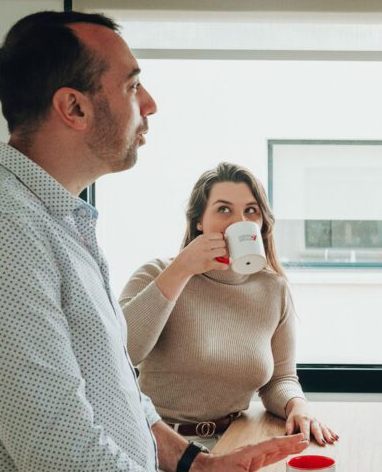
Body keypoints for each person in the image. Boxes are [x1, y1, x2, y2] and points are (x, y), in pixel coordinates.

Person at [0, 11, 364, 472]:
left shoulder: (62, 224)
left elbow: (117, 394)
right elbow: (73, 468)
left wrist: (200, 464)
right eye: (131, 85)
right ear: (73, 108)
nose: (149, 104)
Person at [119, 163, 337, 449]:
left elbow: (279, 379)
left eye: (250, 211)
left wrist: (297, 405)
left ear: (261, 224)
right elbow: (120, 353)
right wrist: (183, 268)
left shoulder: (273, 289)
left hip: (233, 442)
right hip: (157, 445)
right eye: (224, 210)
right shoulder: (157, 273)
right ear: (199, 221)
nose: (239, 221)